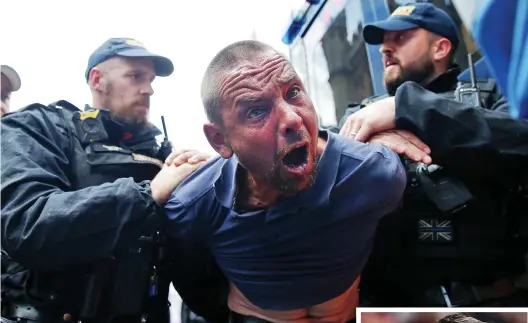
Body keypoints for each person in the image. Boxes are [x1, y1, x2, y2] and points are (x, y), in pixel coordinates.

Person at [164, 40, 407, 323]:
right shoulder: (193, 207)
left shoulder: (373, 174)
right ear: (220, 139)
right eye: (256, 110)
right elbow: (196, 286)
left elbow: (395, 258)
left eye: (293, 92)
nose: (292, 118)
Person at [1, 37, 210, 323]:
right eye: (135, 76)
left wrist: (204, 183)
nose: (148, 89)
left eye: (150, 80)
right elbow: (27, 224)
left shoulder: (160, 159)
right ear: (98, 80)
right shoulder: (38, 128)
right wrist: (149, 194)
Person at [338, 2, 528, 307]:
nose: (385, 48)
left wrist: (407, 109)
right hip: (392, 306)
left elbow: (518, 144)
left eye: (400, 38)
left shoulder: (491, 97)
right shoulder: (361, 115)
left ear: (440, 48)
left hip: (493, 302)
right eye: (383, 41)